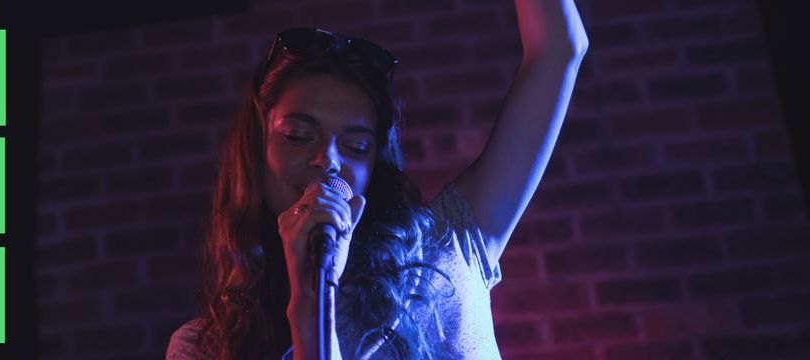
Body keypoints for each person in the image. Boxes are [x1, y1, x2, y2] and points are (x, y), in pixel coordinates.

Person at [167, 1, 587, 358]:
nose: (326, 160)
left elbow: (559, 52)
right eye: (297, 135)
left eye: (354, 146)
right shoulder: (205, 347)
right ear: (255, 153)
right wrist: (310, 301)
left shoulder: (447, 243)